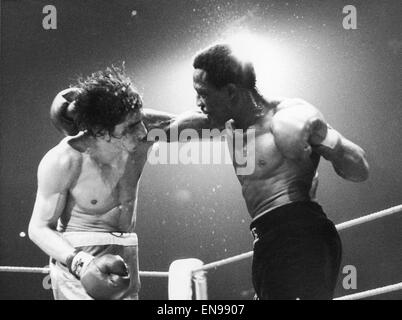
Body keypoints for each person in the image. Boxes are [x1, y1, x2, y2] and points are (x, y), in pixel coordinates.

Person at [192, 44, 369, 300]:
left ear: (231, 92)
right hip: (266, 243)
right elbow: (165, 127)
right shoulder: (224, 125)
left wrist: (327, 138)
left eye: (203, 94)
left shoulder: (289, 116)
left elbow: (360, 168)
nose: (198, 103)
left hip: (299, 236)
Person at [29, 66, 210, 300]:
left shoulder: (141, 137)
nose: (143, 130)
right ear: (102, 131)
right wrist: (81, 263)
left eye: (140, 120)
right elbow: (38, 228)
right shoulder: (65, 159)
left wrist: (235, 111)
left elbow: (196, 123)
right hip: (79, 258)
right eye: (131, 126)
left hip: (127, 255)